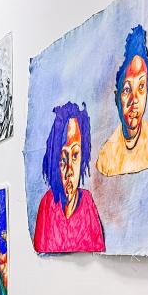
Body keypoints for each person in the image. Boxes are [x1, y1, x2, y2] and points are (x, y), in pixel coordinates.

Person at [97, 24, 148, 176]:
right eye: (127, 90)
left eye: (141, 87)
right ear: (117, 98)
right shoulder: (106, 157)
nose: (134, 100)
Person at [34, 102, 105, 253]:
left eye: (75, 155)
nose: (69, 171)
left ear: (83, 157)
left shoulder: (87, 205)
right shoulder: (47, 205)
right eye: (62, 158)